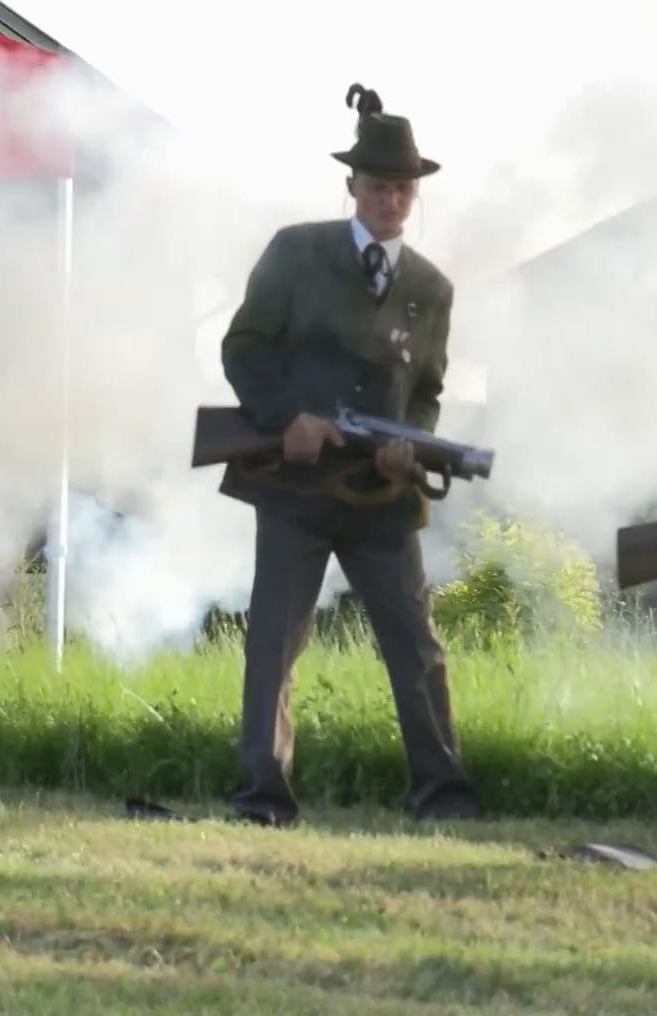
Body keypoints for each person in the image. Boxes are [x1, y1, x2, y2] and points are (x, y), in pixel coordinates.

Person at [215, 84, 479, 826]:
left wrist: (409, 444)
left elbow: (426, 391)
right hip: (296, 484)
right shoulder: (296, 253)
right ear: (353, 187)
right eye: (380, 186)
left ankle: (444, 793)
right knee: (274, 646)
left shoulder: (432, 287)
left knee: (417, 651)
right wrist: (284, 419)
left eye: (403, 189)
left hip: (381, 497)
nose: (393, 199)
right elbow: (244, 349)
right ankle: (262, 795)